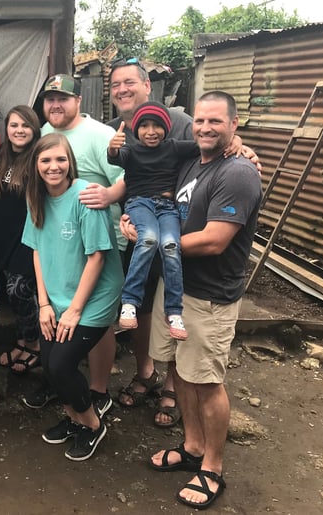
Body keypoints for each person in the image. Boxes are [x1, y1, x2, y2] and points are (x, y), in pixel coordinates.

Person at [139, 91, 261, 509]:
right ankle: (191, 446)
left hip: (209, 297)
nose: (206, 128)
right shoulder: (192, 162)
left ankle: (212, 466)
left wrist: (152, 245)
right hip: (177, 288)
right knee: (179, 369)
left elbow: (214, 240)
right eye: (200, 121)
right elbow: (163, 202)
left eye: (216, 121)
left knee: (206, 381)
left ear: (234, 124)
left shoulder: (239, 172)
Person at [22, 134, 123, 461]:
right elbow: (37, 250)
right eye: (45, 160)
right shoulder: (35, 197)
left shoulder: (85, 196)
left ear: (70, 163)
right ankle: (74, 418)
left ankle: (92, 425)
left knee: (62, 364)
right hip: (58, 296)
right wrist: (44, 304)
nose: (53, 167)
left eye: (60, 159)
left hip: (93, 296)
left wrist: (74, 310)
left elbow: (97, 258)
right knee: (50, 368)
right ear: (35, 166)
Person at [28, 73, 123, 417]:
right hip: (59, 251)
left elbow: (129, 175)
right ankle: (70, 394)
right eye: (50, 99)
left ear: (78, 101)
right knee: (57, 357)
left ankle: (97, 391)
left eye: (62, 98)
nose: (55, 104)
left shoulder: (101, 135)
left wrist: (109, 196)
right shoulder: (42, 136)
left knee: (95, 328)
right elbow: (37, 246)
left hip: (98, 235)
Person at [107, 58, 194, 422]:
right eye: (115, 85)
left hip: (175, 225)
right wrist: (121, 204)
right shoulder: (115, 130)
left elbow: (202, 160)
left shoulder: (181, 123)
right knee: (141, 306)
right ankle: (145, 373)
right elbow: (131, 173)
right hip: (139, 226)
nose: (122, 90)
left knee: (171, 303)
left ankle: (173, 385)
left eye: (129, 82)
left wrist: (239, 144)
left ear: (147, 86)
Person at [107, 101, 200, 340]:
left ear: (166, 128)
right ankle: (129, 302)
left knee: (171, 245)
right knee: (148, 239)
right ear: (136, 130)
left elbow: (205, 146)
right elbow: (115, 158)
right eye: (144, 126)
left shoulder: (174, 147)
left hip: (168, 208)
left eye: (157, 126)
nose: (151, 131)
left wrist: (236, 142)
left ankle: (174, 312)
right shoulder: (132, 151)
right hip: (139, 204)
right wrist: (113, 149)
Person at [0, 106, 42, 373]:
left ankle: (34, 345)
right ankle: (22, 340)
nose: (19, 130)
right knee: (14, 292)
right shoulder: (2, 155)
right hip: (4, 236)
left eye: (25, 125)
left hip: (28, 238)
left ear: (34, 129)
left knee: (20, 291)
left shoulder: (38, 158)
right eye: (14, 125)